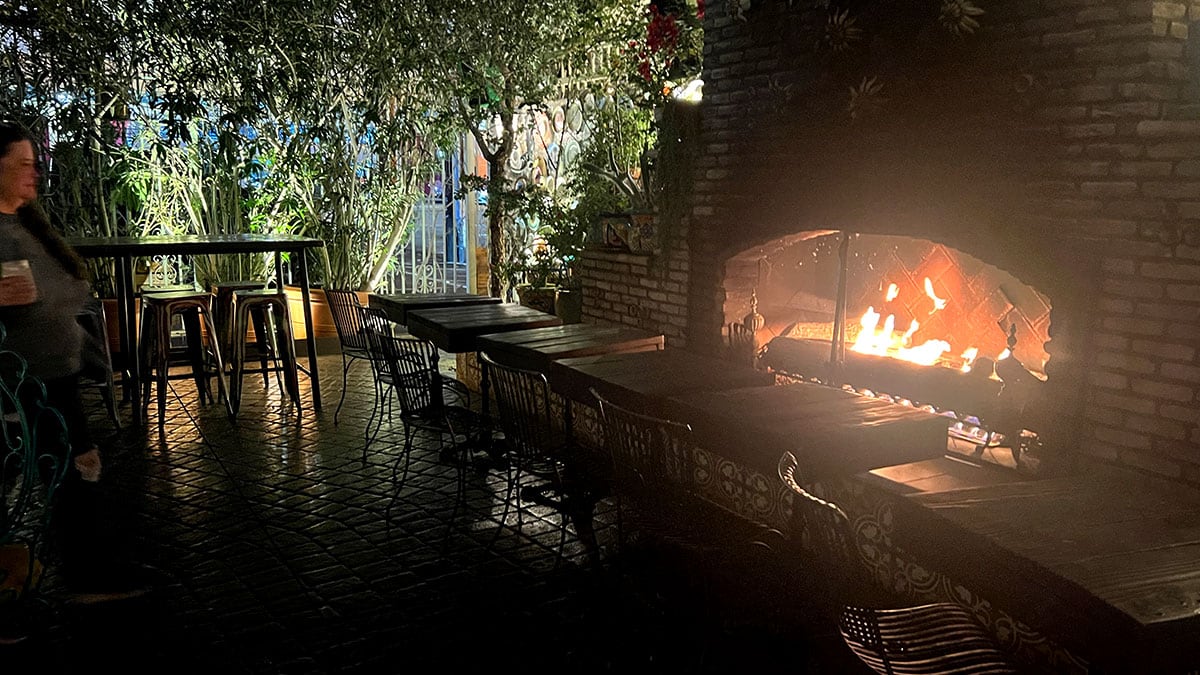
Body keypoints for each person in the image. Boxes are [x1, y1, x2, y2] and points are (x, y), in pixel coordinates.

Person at [0, 121, 148, 608]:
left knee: (76, 468)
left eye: (33, 164)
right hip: (23, 380)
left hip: (56, 374)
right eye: (21, 164)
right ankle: (79, 576)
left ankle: (84, 572)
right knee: (69, 471)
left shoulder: (26, 221)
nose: (33, 173)